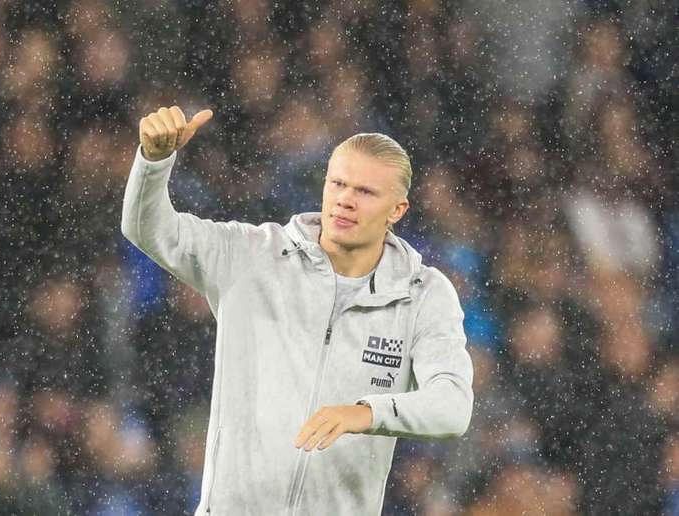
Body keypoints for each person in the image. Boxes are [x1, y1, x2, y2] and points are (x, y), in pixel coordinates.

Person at [121, 105, 474, 515]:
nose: (345, 200)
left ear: (397, 210)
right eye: (338, 184)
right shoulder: (251, 255)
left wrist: (365, 413)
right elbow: (147, 229)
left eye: (365, 192)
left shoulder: (423, 294)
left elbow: (452, 407)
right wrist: (154, 161)